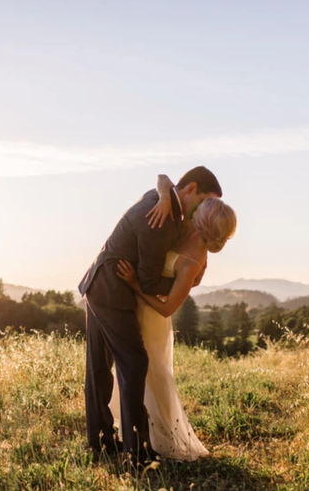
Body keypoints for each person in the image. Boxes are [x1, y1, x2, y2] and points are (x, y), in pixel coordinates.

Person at [78, 167, 223, 463]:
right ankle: (138, 450)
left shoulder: (162, 198)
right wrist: (187, 281)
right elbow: (148, 280)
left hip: (97, 281)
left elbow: (163, 178)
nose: (203, 210)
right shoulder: (165, 219)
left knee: (98, 366)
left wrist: (163, 191)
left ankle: (101, 441)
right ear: (191, 188)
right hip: (112, 290)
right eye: (204, 202)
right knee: (133, 363)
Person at [112, 195, 237, 461]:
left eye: (201, 209)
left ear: (204, 219)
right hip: (134, 308)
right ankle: (129, 430)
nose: (194, 209)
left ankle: (163, 438)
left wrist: (135, 285)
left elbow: (168, 308)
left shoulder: (194, 261)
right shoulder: (180, 230)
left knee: (153, 373)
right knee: (130, 369)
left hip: (153, 316)